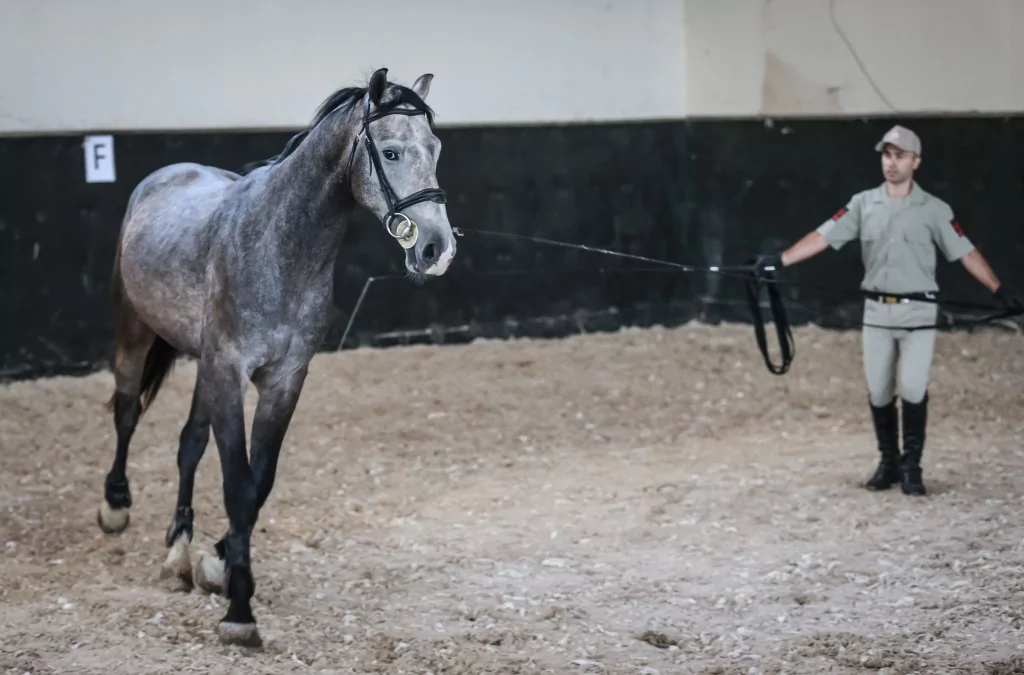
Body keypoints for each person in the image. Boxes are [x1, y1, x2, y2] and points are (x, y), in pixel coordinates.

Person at [753, 124, 1023, 496]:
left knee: (913, 387)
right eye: (886, 155)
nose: (891, 163)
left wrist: (999, 289)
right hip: (877, 311)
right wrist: (779, 261)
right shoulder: (863, 204)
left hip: (918, 311)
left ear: (916, 162)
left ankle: (912, 466)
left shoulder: (934, 210)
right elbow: (823, 236)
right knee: (879, 391)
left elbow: (965, 251)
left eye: (900, 156)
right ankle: (889, 463)